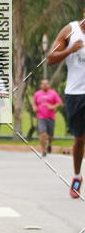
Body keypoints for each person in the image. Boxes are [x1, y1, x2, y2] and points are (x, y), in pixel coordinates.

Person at [47, 10, 85, 198]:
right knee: (79, 139)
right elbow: (51, 59)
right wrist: (71, 49)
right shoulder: (71, 30)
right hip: (75, 94)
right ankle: (77, 176)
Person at [33, 79, 62, 157]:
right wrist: (35, 108)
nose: (45, 85)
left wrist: (53, 106)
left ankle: (49, 143)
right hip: (41, 117)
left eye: (46, 84)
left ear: (49, 85)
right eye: (43, 84)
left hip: (51, 117)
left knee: (50, 136)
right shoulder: (37, 94)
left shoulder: (53, 93)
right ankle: (43, 150)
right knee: (42, 133)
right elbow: (34, 103)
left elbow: (59, 102)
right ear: (41, 85)